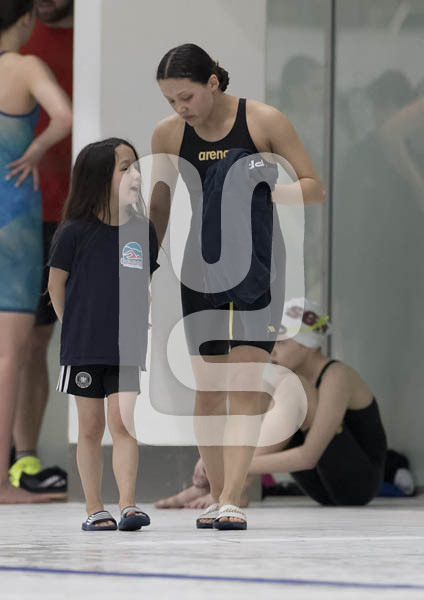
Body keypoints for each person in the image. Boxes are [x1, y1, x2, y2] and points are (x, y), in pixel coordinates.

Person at [150, 43, 325, 529]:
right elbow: (160, 205)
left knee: (245, 385)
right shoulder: (169, 133)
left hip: (258, 265)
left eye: (186, 97)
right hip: (200, 268)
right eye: (170, 101)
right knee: (208, 390)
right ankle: (217, 495)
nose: (180, 109)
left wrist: (266, 187)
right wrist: (142, 267)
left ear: (212, 82)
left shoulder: (263, 121)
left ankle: (232, 496)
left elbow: (314, 187)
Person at [156, 299, 388, 517]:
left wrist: (226, 464)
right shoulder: (281, 379)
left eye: (281, 342)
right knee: (265, 387)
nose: (272, 350)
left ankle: (230, 485)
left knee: (293, 385)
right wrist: (215, 458)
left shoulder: (336, 377)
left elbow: (309, 456)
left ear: (306, 345)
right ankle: (231, 490)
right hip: (320, 487)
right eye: (272, 341)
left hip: (357, 485)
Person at [48, 138, 159, 530]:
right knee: (91, 427)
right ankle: (94, 508)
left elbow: (143, 282)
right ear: (98, 178)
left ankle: (128, 504)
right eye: (125, 167)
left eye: (136, 166)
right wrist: (74, 326)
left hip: (126, 347)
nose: (135, 174)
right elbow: (56, 285)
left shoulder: (143, 231)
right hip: (83, 348)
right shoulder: (73, 232)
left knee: (123, 423)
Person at [0, 0, 72, 504]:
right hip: (16, 215)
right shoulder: (25, 67)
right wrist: (37, 149)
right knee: (11, 355)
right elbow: (64, 116)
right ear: (26, 19)